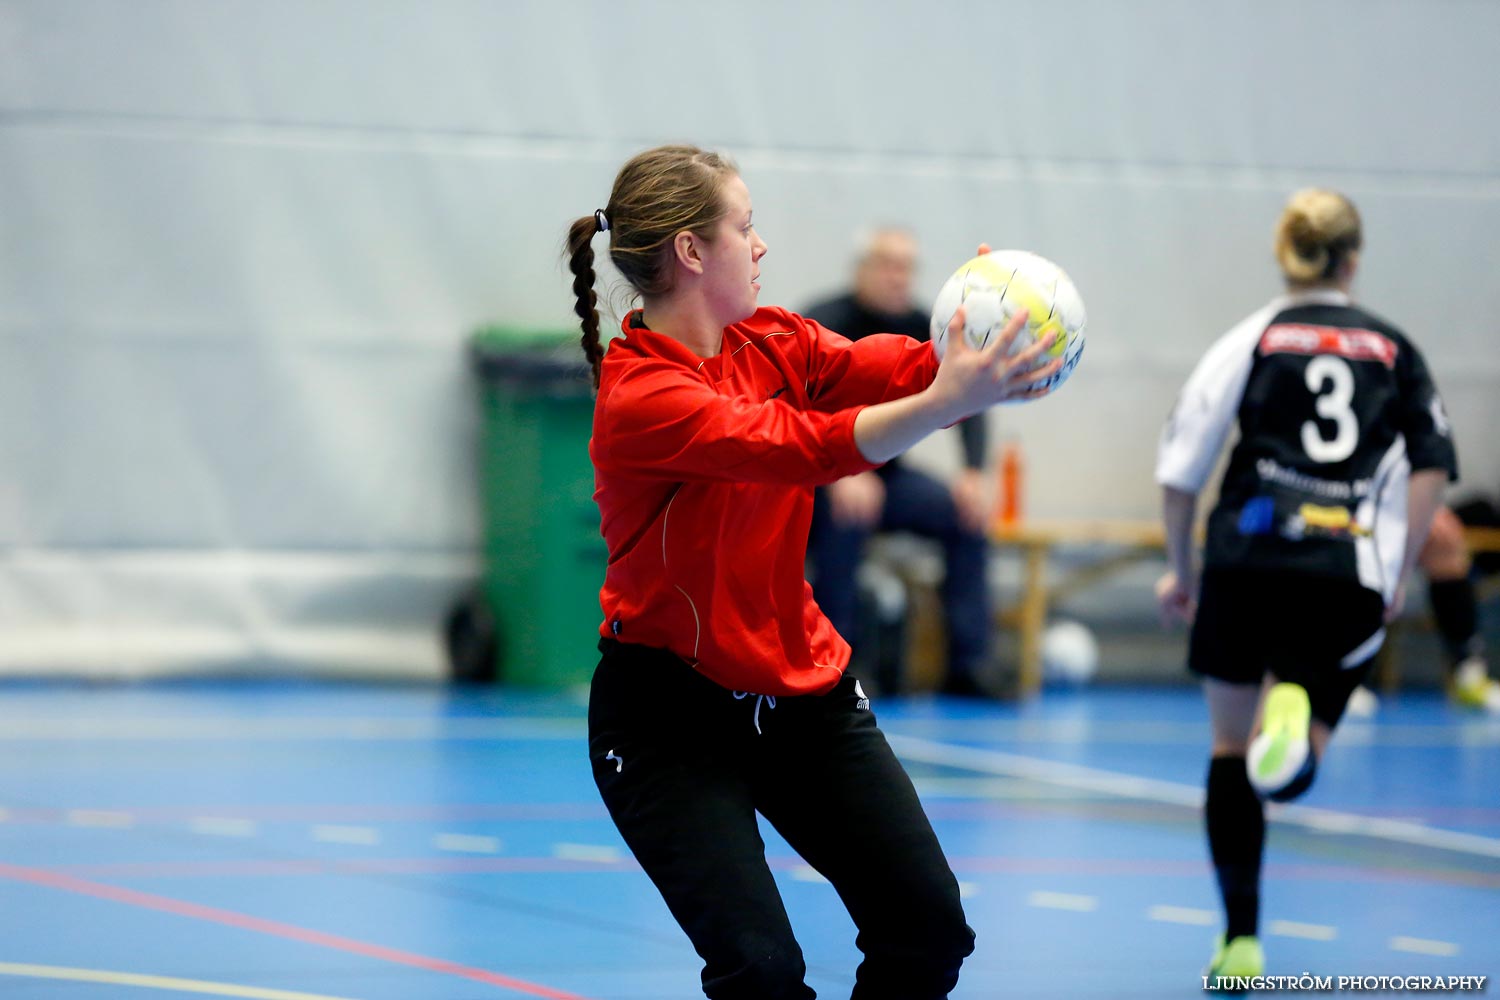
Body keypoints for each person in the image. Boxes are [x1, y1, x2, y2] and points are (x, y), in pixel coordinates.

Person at [565, 144, 1060, 999]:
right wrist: (947, 403)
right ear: (691, 251)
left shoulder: (777, 341)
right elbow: (796, 448)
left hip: (800, 695)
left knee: (928, 930)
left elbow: (895, 366)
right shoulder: (641, 395)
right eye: (745, 227)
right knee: (763, 971)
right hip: (665, 718)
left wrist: (975, 327)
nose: (760, 246)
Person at [1153, 188, 1458, 984]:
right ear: (1353, 259)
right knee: (1287, 761)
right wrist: (1396, 565)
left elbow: (1180, 473)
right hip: (1343, 565)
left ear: (1285, 253)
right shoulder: (1396, 349)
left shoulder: (1250, 338)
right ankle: (1300, 714)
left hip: (1244, 559)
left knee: (1229, 750)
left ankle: (1241, 941)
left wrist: (1183, 575)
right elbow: (1432, 465)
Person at [803, 228, 994, 697]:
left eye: (906, 267)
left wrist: (972, 471)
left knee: (966, 518)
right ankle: (841, 663)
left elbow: (965, 387)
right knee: (846, 519)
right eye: (887, 265)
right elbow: (793, 402)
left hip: (888, 475)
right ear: (862, 269)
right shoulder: (823, 319)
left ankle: (969, 665)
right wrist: (839, 471)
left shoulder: (924, 323)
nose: (897, 276)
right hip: (823, 475)